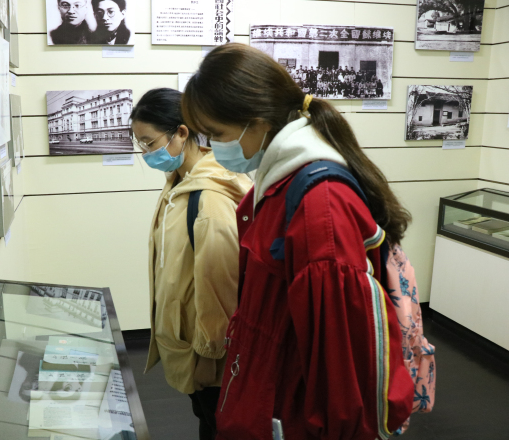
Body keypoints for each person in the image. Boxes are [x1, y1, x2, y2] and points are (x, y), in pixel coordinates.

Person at [182, 43, 414, 440]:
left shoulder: (319, 205)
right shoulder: (278, 181)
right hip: (269, 389)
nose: (212, 146)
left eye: (217, 134)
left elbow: (341, 363)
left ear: (257, 122)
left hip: (294, 414)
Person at [130, 88, 252, 440]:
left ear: (181, 133)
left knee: (218, 425)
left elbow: (221, 289)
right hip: (188, 343)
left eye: (150, 143)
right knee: (208, 422)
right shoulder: (181, 183)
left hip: (209, 358)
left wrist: (209, 356)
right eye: (141, 145)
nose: (146, 154)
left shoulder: (209, 200)